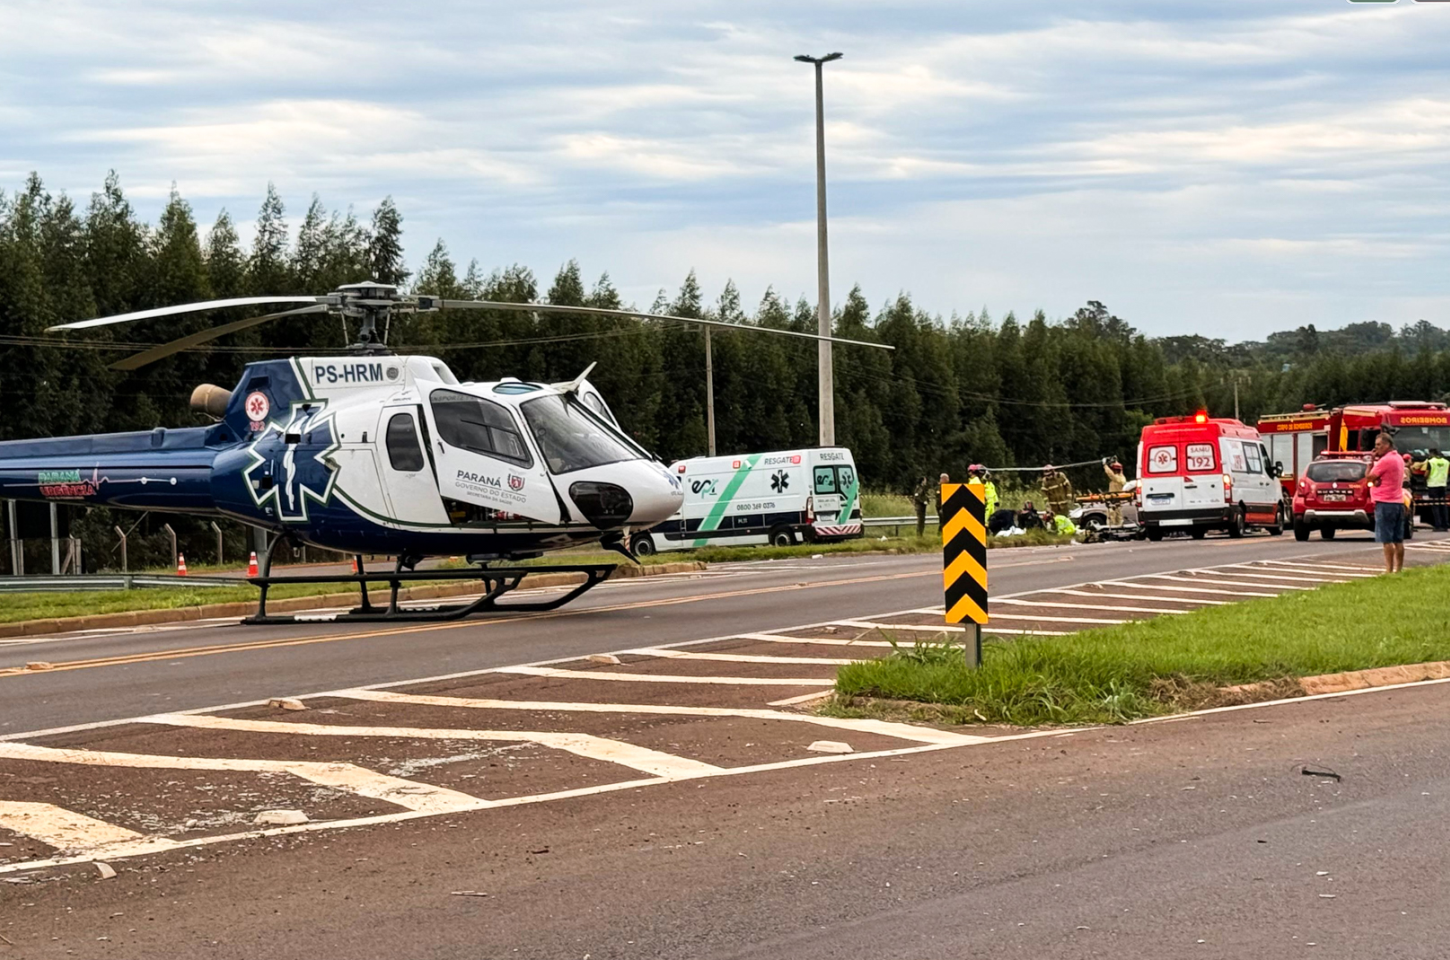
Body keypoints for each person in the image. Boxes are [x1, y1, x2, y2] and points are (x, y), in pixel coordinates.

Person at [1367, 432, 1406, 573]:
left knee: (1386, 539)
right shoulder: (1398, 458)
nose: (1376, 448)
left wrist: (1370, 462)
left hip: (1385, 502)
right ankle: (1399, 569)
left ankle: (1389, 569)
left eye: (1379, 445)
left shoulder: (1385, 461)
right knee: (1398, 539)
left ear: (1387, 444)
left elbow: (1369, 477)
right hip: (1397, 502)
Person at [1425, 447, 1449, 532]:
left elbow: (1426, 474)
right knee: (1443, 505)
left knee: (1435, 506)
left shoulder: (1431, 462)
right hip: (1443, 485)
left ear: (1432, 453)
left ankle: (1438, 525)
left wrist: (1425, 479)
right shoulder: (1446, 462)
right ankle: (1445, 525)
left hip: (1433, 485)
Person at [1102, 457, 1127, 526]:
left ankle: (1112, 528)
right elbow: (1120, 470)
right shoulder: (1122, 477)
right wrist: (1115, 461)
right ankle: (1119, 527)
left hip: (1114, 499)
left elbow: (1110, 474)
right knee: (1118, 515)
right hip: (1118, 499)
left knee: (1111, 515)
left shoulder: (1116, 478)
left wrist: (1105, 465)